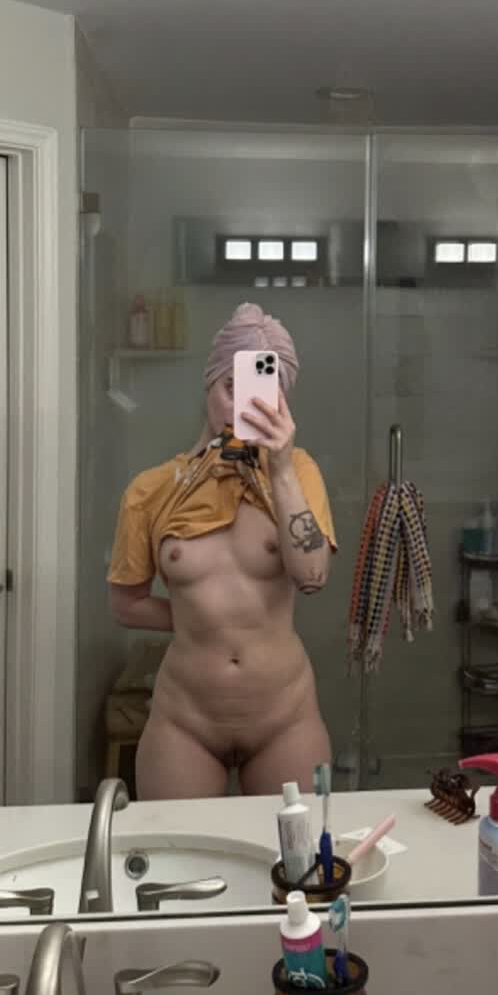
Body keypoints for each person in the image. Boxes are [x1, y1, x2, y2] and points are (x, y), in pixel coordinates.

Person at [107, 303, 335, 798]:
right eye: (231, 389)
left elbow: (313, 576)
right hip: (184, 720)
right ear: (208, 385)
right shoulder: (152, 489)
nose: (241, 410)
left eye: (261, 396)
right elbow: (125, 605)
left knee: (294, 848)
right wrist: (205, 617)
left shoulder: (299, 473)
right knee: (177, 846)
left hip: (286, 716)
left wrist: (280, 469)